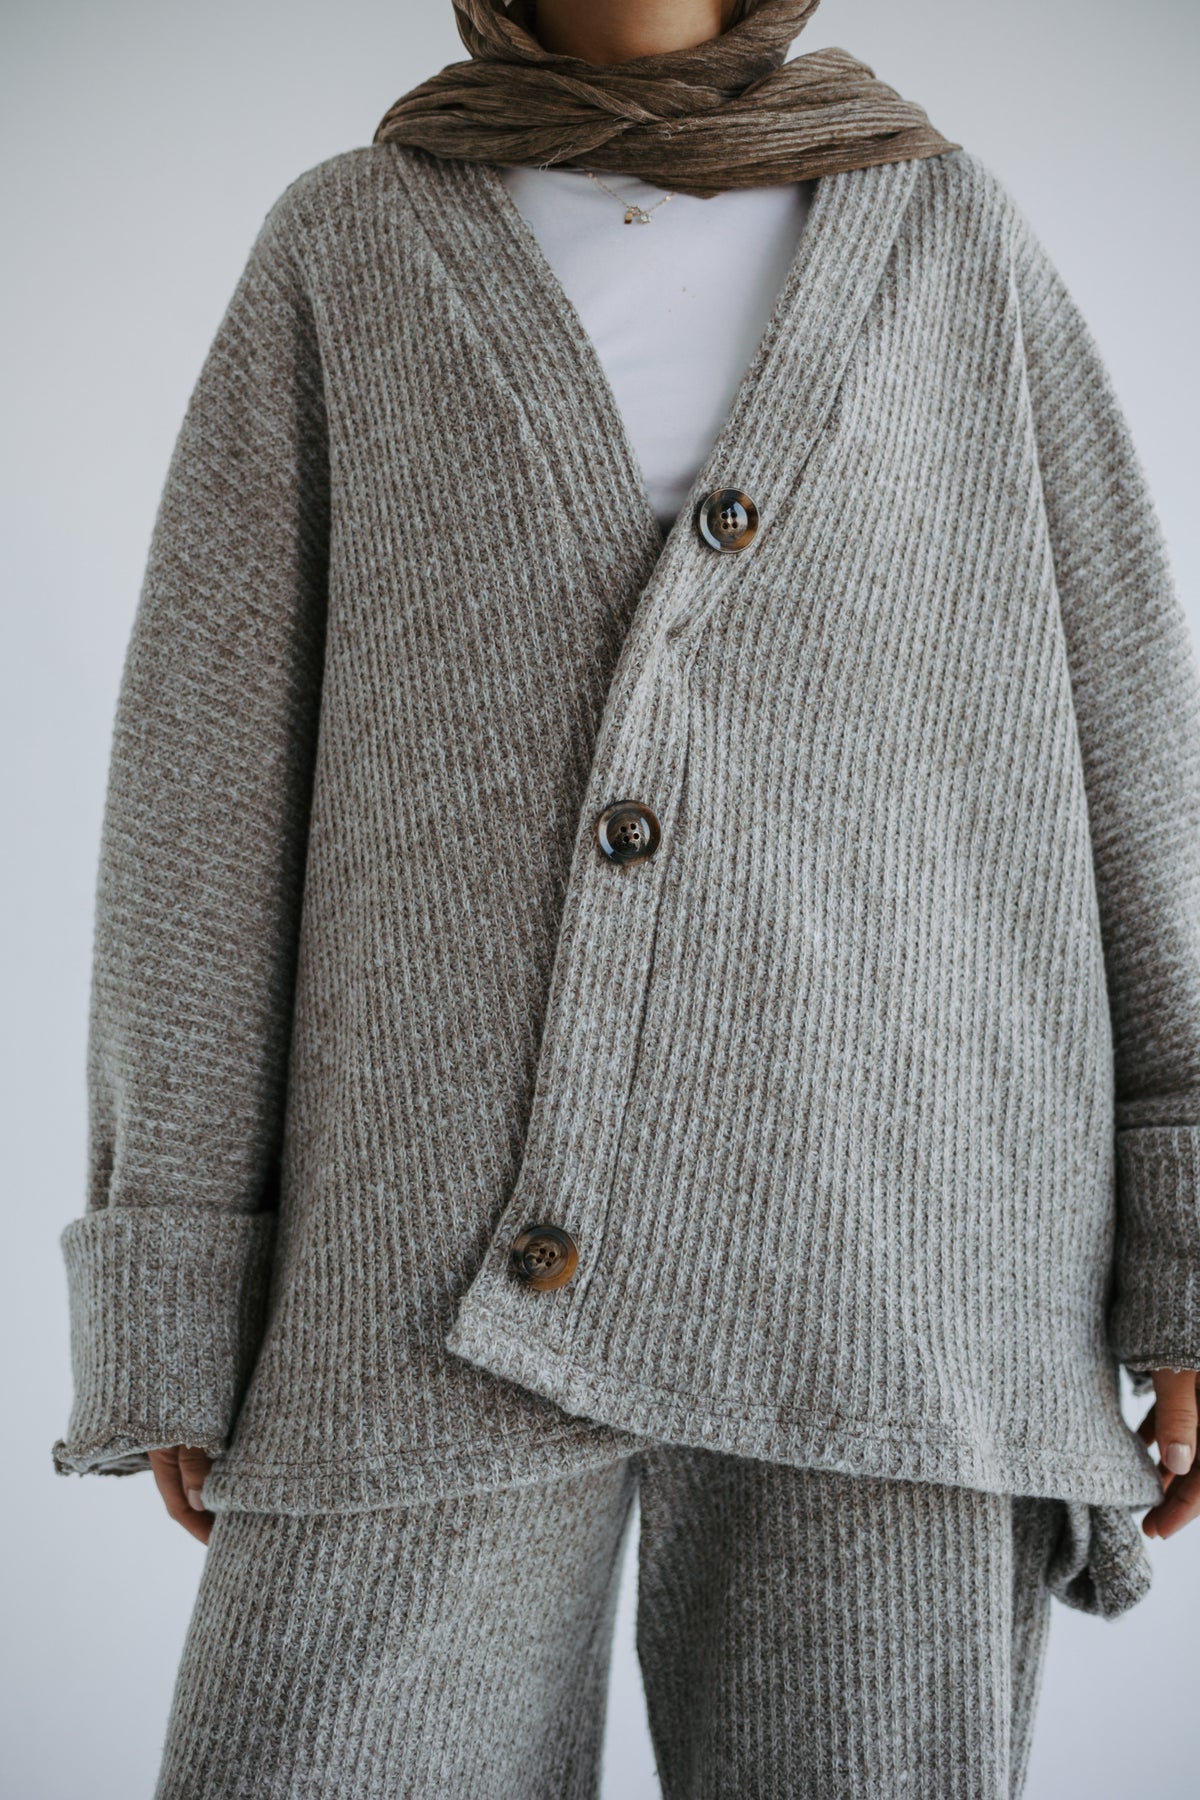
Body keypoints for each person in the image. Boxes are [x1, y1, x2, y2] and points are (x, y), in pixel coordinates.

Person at [52, 1, 1200, 1794]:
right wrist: (174, 1274)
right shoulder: (349, 247)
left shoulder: (948, 236)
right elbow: (208, 783)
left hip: (899, 1246)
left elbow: (1133, 744)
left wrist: (1188, 1251)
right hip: (420, 1260)